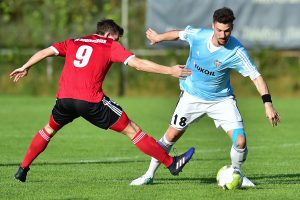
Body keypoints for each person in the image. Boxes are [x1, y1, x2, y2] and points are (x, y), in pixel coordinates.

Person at [10, 19, 195, 183]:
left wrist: (25, 67)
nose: (117, 43)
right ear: (107, 34)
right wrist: (170, 71)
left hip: (64, 100)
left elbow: (44, 52)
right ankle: (171, 164)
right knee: (132, 130)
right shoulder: (109, 45)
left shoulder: (73, 42)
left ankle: (22, 169)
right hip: (91, 101)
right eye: (116, 39)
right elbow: (139, 64)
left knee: (48, 130)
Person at [130, 7, 280, 186]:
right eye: (219, 30)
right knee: (170, 136)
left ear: (231, 28)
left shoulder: (237, 51)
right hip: (191, 96)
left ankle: (237, 174)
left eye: (227, 31)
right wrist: (158, 38)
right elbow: (179, 34)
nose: (223, 35)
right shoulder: (199, 35)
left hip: (221, 100)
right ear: (213, 27)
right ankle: (148, 175)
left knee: (240, 141)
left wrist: (267, 103)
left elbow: (256, 76)